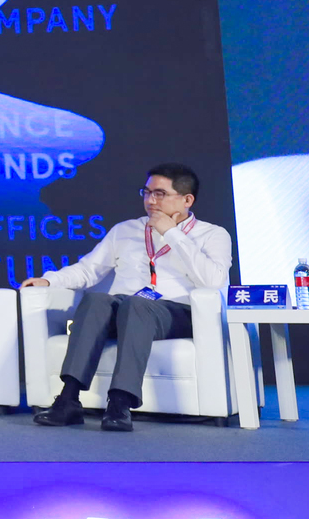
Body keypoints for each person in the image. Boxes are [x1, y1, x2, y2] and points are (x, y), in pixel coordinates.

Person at [29, 163, 233, 432]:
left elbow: (213, 281)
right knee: (96, 300)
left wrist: (171, 234)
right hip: (125, 308)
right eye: (146, 192)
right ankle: (68, 399)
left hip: (176, 313)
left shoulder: (212, 234)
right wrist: (50, 280)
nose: (150, 200)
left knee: (138, 305)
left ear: (187, 200)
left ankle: (120, 403)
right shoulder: (125, 230)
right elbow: (89, 269)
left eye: (160, 194)